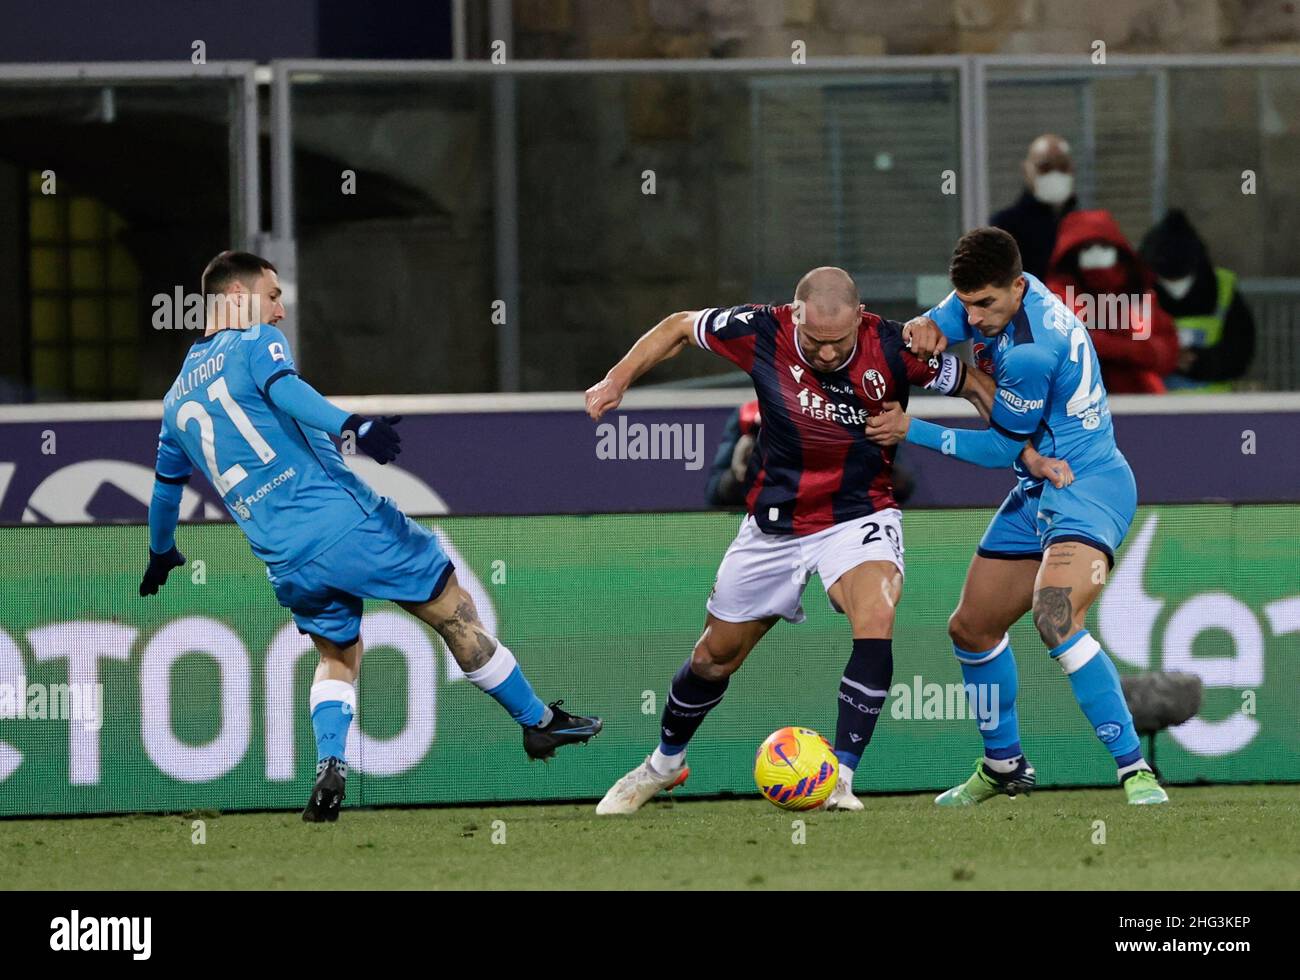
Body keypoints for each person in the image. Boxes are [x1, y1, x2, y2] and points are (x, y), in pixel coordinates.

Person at [584, 266, 1070, 815]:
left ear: (859, 320)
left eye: (837, 342)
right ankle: (663, 765)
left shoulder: (891, 345)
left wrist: (1025, 454)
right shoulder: (760, 330)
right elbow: (677, 325)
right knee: (715, 657)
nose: (824, 353)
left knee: (874, 616)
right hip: (776, 522)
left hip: (860, 513)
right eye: (813, 341)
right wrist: (616, 379)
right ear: (796, 317)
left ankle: (840, 776)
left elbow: (976, 386)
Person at [139, 250, 601, 822]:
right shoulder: (255, 342)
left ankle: (330, 764)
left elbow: (164, 493)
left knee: (336, 653)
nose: (281, 310)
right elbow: (285, 389)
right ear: (238, 297)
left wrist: (162, 553)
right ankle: (537, 723)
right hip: (347, 522)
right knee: (453, 610)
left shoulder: (174, 400)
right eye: (274, 294)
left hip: (285, 558)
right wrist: (351, 424)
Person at [870, 227, 1169, 807]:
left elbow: (1001, 450)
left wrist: (912, 430)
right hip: (1038, 489)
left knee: (1055, 615)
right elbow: (937, 328)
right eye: (967, 302)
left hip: (1088, 488)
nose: (976, 316)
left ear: (1017, 285)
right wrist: (924, 327)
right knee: (971, 629)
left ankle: (1136, 771)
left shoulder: (1033, 348)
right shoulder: (984, 300)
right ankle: (1003, 765)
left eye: (987, 304)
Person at [1044, 209, 1178, 394]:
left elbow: (1164, 355)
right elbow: (1066, 347)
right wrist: (1131, 349)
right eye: (1087, 248)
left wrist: (1112, 346)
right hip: (1077, 405)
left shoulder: (1136, 292)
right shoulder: (1058, 296)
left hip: (1142, 404)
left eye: (1103, 246)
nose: (1096, 254)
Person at [1139, 209, 1256, 391]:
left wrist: (1201, 363)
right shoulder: (1135, 292)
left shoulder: (1222, 288)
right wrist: (1161, 357)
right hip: (1150, 410)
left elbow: (1241, 350)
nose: (1174, 286)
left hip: (1214, 410)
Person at [990, 134, 1078, 280]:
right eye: (1045, 167)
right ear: (1026, 170)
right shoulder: (1004, 227)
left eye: (1063, 167)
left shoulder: (1085, 225)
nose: (1055, 174)